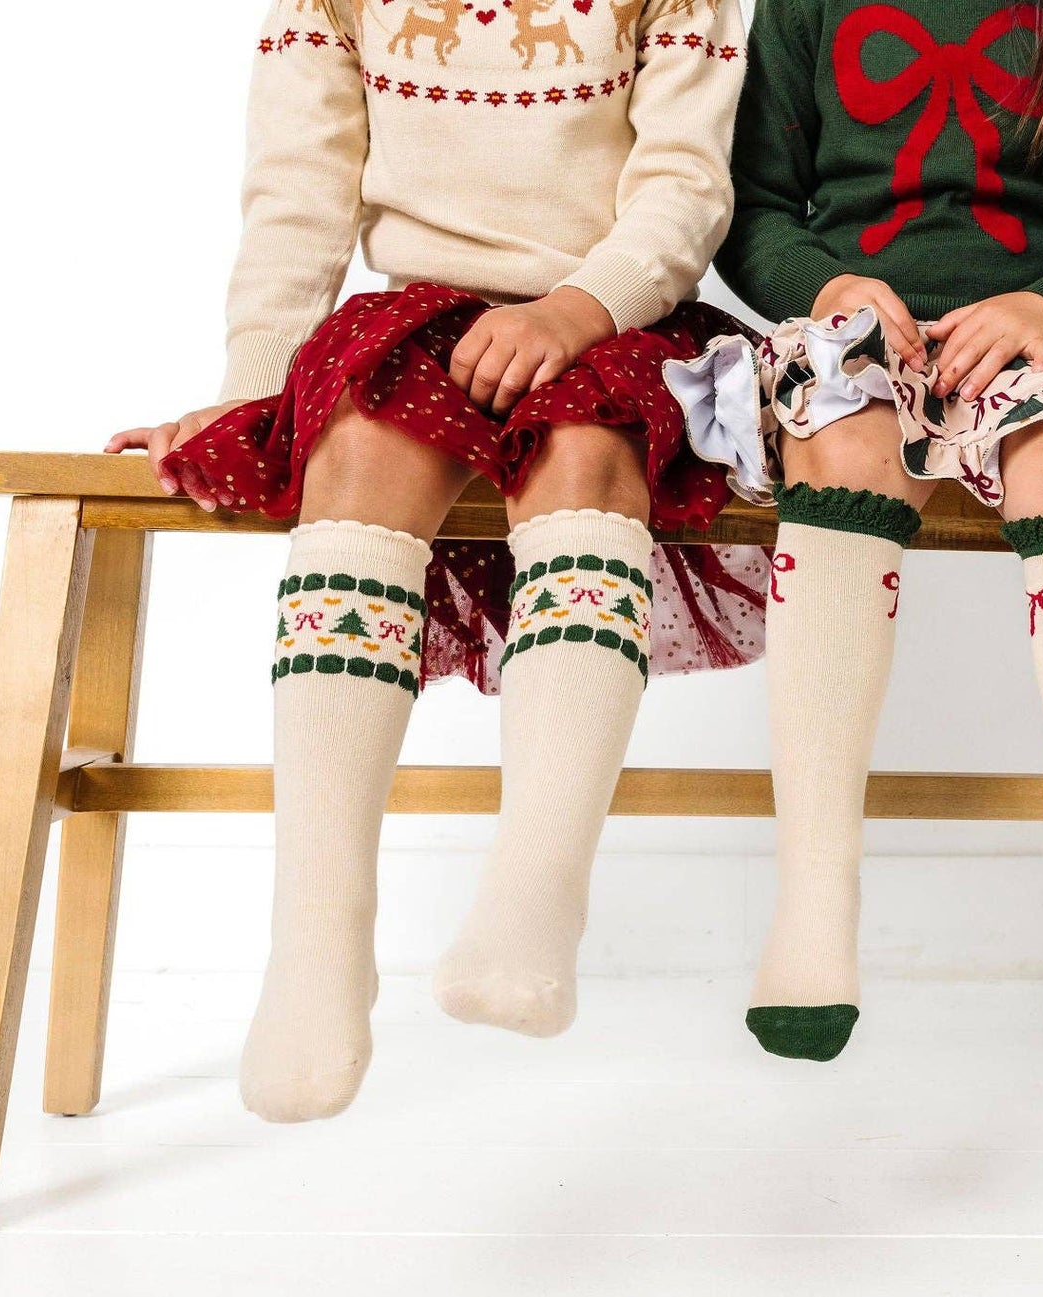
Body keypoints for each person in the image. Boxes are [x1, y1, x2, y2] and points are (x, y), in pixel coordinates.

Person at [104, 0, 762, 1122]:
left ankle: (536, 888)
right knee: (357, 453)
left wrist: (573, 308)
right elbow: (296, 201)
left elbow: (684, 186)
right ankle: (317, 936)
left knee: (588, 449)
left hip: (608, 310)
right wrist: (248, 398)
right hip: (423, 309)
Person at [669, 0, 1043, 1061]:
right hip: (863, 332)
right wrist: (826, 288)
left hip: (1038, 329)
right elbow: (752, 205)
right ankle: (813, 897)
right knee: (845, 436)